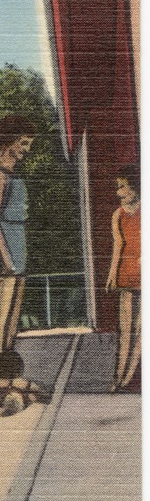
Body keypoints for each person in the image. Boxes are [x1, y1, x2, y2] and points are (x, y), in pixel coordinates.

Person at [0, 114, 38, 377]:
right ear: (10, 140)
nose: (27, 149)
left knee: (11, 322)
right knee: (1, 321)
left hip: (17, 247)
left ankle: (3, 377)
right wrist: (6, 259)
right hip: (3, 252)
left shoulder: (11, 172)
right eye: (24, 143)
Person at [106, 165, 141, 392]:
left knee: (141, 330)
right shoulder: (117, 215)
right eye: (117, 187)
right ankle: (117, 377)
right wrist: (112, 275)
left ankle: (127, 378)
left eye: (122, 187)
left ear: (135, 187)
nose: (118, 192)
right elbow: (117, 246)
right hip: (126, 274)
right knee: (124, 330)